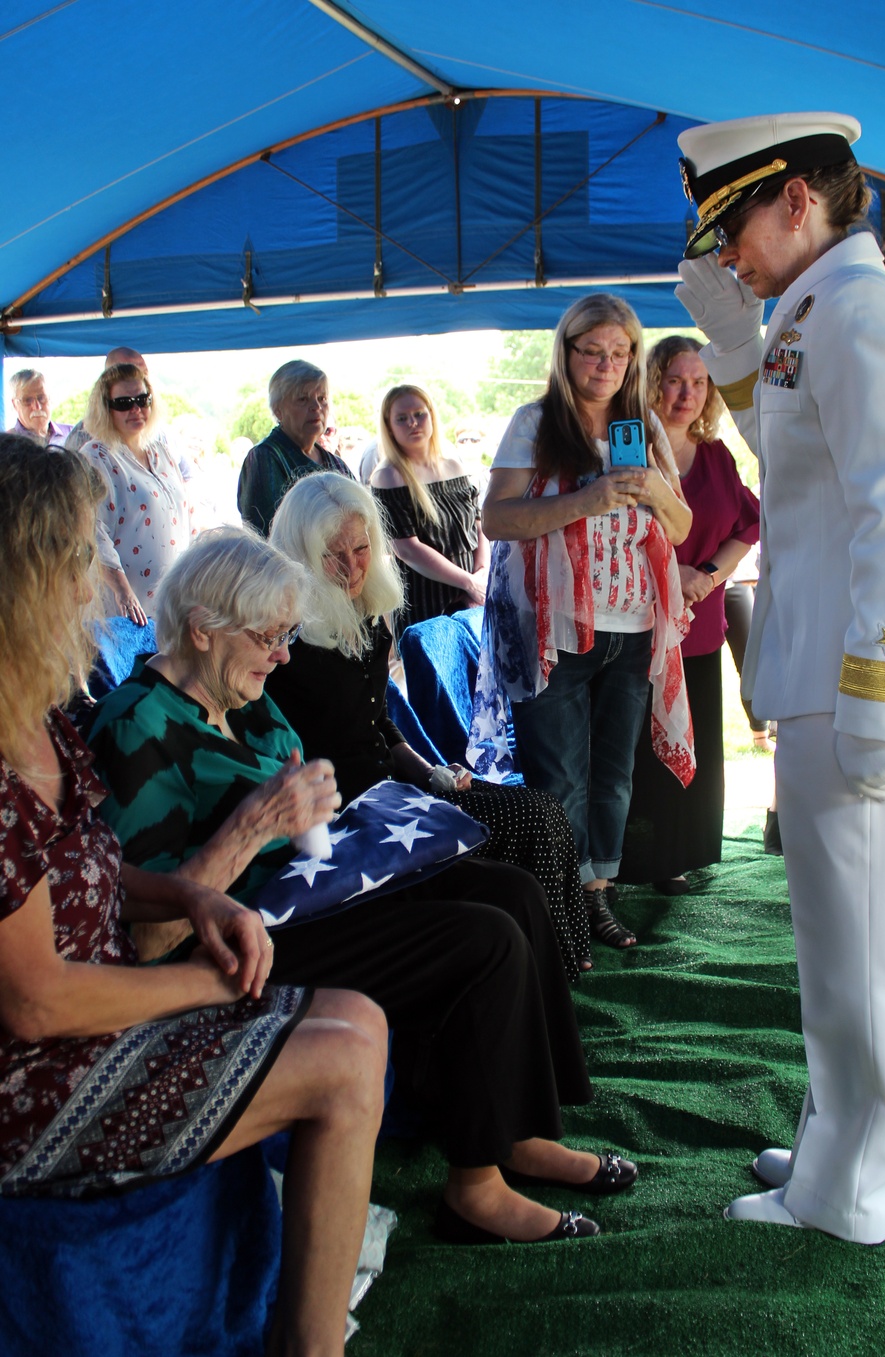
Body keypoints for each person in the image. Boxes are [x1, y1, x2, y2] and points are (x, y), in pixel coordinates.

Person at [86, 526, 635, 1245]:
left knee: (511, 893)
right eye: (270, 638)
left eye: (287, 635)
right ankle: (476, 1187)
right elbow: (148, 932)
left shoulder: (244, 697)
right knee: (483, 938)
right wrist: (253, 828)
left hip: (313, 894)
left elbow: (297, 794)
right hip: (244, 945)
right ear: (202, 628)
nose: (283, 655)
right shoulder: (138, 727)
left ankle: (524, 1130)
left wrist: (312, 804)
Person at [0, 433, 387, 1357]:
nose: (102, 577)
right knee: (339, 1064)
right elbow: (34, 997)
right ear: (29, 574)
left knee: (362, 1022)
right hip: (29, 1082)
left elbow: (84, 867)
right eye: (83, 554)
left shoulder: (44, 712)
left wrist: (189, 896)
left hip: (95, 1017)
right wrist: (210, 981)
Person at [675, 111, 885, 1242]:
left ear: (794, 201)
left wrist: (878, 700)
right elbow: (793, 451)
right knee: (841, 946)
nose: (727, 258)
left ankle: (856, 1192)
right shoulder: (819, 309)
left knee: (866, 955)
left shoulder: (859, 315)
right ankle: (838, 1136)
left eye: (734, 228)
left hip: (867, 680)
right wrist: (733, 336)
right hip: (833, 671)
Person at [267, 471, 592, 975]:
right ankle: (547, 971)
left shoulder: (368, 613)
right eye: (334, 554)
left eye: (361, 548)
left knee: (543, 808)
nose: (352, 567)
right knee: (528, 823)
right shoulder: (284, 640)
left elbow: (379, 724)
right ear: (301, 553)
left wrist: (433, 773)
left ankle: (566, 961)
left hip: (392, 787)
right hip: (348, 811)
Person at [476, 293, 694, 953]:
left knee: (613, 774)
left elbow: (680, 527)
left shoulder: (645, 427)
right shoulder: (535, 422)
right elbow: (497, 518)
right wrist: (585, 499)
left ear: (633, 359)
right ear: (566, 353)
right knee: (559, 776)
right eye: (592, 351)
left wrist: (651, 487)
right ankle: (560, 907)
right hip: (555, 629)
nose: (606, 364)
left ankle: (596, 895)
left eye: (620, 352)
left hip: (632, 627)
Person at [619, 336, 759, 894]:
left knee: (694, 748)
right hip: (638, 629)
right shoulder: (630, 453)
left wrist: (707, 575)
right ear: (653, 382)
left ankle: (683, 855)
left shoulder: (718, 456)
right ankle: (633, 861)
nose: (688, 394)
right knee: (641, 751)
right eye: (676, 380)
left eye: (700, 382)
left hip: (697, 630)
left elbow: (748, 524)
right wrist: (678, 576)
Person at [370, 384, 489, 639]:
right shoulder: (387, 476)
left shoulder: (454, 465)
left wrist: (481, 576)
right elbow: (407, 549)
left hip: (473, 599)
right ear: (389, 427)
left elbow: (479, 526)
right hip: (427, 606)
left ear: (432, 416)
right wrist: (468, 582)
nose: (413, 423)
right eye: (402, 418)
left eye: (419, 414)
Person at [79, 362, 194, 625]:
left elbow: (185, 514)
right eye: (123, 403)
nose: (135, 409)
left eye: (142, 399)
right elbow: (93, 530)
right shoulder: (95, 456)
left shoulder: (161, 450)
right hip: (124, 611)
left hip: (171, 602)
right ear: (106, 408)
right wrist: (122, 591)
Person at [237, 360, 353, 536]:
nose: (316, 407)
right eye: (303, 399)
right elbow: (265, 536)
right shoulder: (265, 458)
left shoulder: (334, 462)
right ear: (278, 411)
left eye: (322, 398)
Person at [8, 369, 72, 447]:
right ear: (15, 404)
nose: (37, 407)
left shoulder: (72, 435)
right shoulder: (6, 445)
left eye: (41, 398)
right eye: (28, 400)